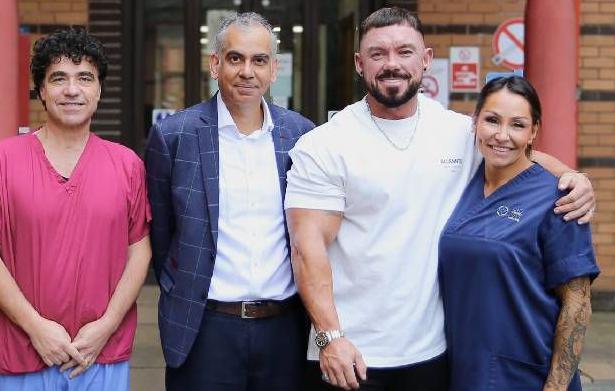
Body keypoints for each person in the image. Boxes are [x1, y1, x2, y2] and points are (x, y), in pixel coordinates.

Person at [284, 7, 595, 391]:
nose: (391, 64)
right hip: (351, 355)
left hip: (436, 355)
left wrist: (574, 177)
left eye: (404, 52)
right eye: (378, 53)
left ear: (426, 59)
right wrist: (329, 338)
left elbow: (515, 152)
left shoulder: (456, 131)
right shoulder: (324, 144)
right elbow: (307, 250)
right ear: (359, 64)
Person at [0, 28, 151, 390]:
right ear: (42, 90)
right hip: (23, 352)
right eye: (59, 78)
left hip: (100, 352)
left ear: (98, 90)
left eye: (85, 78)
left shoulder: (127, 165)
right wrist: (36, 328)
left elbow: (139, 251)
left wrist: (106, 326)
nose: (72, 90)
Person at [145, 12, 315, 391]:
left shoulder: (301, 135)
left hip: (284, 329)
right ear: (215, 64)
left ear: (274, 69)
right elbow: (161, 233)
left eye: (259, 60)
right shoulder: (174, 136)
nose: (246, 71)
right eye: (235, 58)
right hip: (204, 328)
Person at [439, 76, 599, 391]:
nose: (502, 135)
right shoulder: (460, 183)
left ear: (533, 132)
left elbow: (577, 302)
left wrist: (555, 387)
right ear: (475, 123)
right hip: (460, 367)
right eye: (492, 120)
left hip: (525, 373)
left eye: (517, 125)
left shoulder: (559, 199)